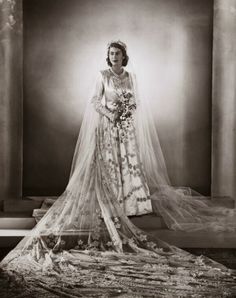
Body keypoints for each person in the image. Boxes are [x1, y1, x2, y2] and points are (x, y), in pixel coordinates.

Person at [0, 40, 236, 297]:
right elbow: (94, 101)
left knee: (129, 165)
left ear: (124, 56)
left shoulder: (131, 77)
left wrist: (127, 111)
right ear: (108, 57)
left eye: (118, 53)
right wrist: (112, 114)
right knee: (110, 166)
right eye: (111, 53)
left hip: (126, 129)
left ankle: (131, 204)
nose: (114, 57)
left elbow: (135, 103)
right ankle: (110, 203)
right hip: (107, 126)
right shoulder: (102, 76)